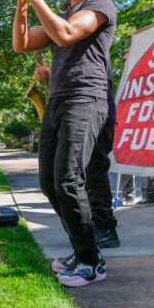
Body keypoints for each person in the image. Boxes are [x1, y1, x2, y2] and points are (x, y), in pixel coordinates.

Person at [12, 0, 116, 287]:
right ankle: (84, 249)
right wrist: (21, 6)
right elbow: (22, 44)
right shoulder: (63, 12)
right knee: (49, 182)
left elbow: (68, 34)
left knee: (70, 181)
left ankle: (90, 261)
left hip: (86, 99)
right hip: (58, 101)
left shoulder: (99, 4)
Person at [34, 57, 120, 248]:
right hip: (68, 108)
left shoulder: (90, 39)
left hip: (97, 112)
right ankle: (81, 230)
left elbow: (85, 73)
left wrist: (49, 73)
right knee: (59, 178)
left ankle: (105, 229)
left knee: (94, 173)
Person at [118, 49, 154, 207]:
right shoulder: (124, 81)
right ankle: (128, 196)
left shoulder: (148, 77)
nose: (125, 62)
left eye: (129, 58)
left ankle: (149, 194)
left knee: (149, 160)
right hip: (128, 126)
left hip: (147, 124)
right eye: (124, 60)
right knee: (124, 159)